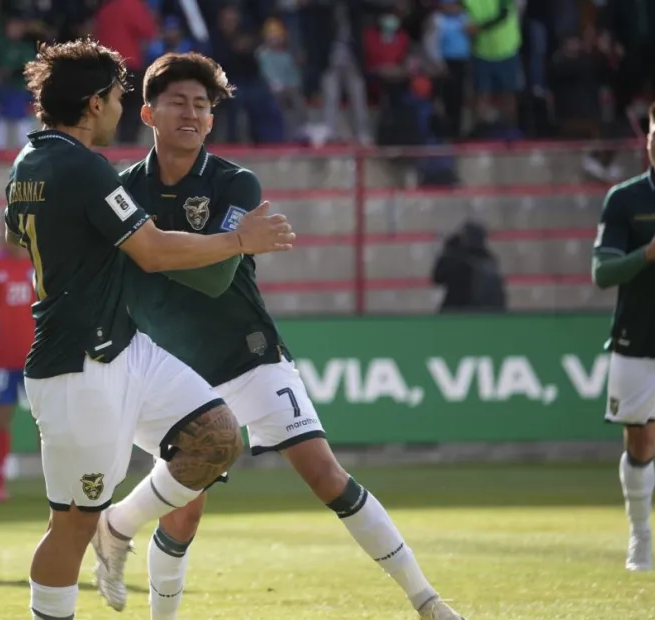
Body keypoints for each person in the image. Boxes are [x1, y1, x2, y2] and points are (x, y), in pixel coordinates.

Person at [107, 52, 466, 620]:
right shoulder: (121, 190)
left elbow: (217, 275)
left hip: (249, 355)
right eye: (178, 101)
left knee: (326, 475)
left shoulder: (234, 181)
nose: (192, 113)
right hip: (175, 374)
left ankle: (426, 600)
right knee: (184, 513)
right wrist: (219, 243)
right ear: (148, 113)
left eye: (202, 105)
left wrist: (148, 252)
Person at [7, 39, 296, 620]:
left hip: (122, 347)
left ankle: (120, 526)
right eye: (116, 97)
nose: (120, 107)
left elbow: (19, 240)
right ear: (92, 104)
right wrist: (240, 240)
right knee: (69, 527)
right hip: (78, 365)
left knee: (216, 436)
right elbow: (154, 251)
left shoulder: (29, 163)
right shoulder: (82, 167)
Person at [592, 96, 655, 572]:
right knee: (641, 445)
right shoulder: (625, 199)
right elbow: (602, 274)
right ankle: (641, 535)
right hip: (637, 337)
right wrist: (647, 255)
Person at [0, 240, 35, 503]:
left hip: (38, 357)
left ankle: (61, 484)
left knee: (50, 421)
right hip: (5, 358)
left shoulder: (39, 262)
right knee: (0, 416)